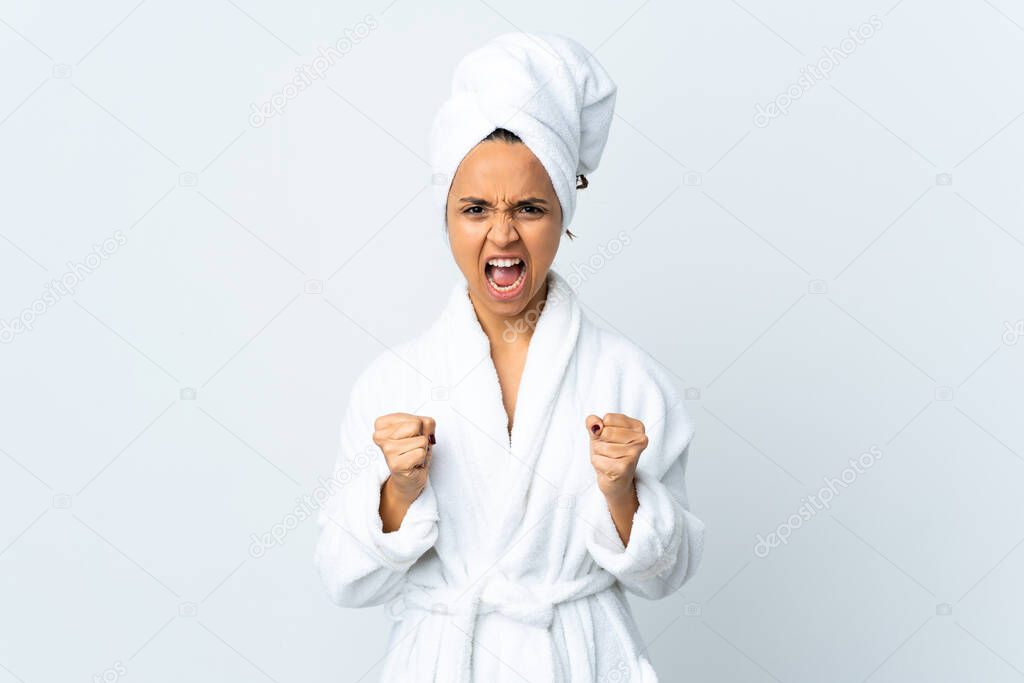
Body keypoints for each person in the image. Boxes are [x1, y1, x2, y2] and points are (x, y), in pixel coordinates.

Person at [315, 31, 705, 682]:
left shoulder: (627, 380)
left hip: (576, 661)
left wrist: (623, 494)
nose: (502, 233)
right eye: (474, 209)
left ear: (564, 214)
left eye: (529, 207)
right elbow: (341, 576)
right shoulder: (394, 384)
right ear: (446, 216)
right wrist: (397, 495)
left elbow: (670, 572)